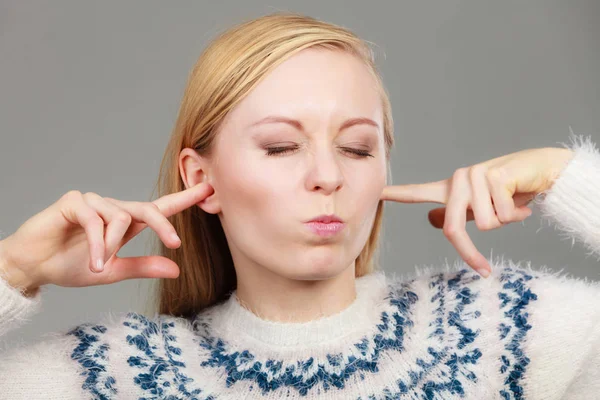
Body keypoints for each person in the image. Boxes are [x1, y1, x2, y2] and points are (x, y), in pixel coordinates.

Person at [0, 12, 598, 400]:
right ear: (200, 177)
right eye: (282, 146)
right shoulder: (113, 377)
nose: (327, 175)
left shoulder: (502, 329)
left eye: (358, 147)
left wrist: (562, 175)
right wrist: (13, 271)